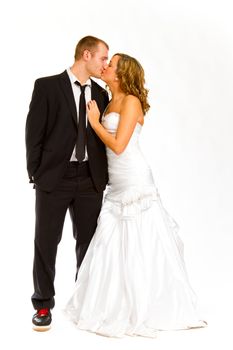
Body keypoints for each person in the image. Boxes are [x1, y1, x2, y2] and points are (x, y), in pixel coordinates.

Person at [64, 53, 207, 338]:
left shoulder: (131, 101)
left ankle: (147, 305)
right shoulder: (107, 99)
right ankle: (115, 301)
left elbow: (118, 145)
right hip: (114, 182)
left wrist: (95, 123)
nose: (105, 66)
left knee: (142, 240)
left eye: (111, 64)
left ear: (121, 73)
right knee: (111, 240)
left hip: (134, 178)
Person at [25, 36, 109, 331]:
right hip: (54, 179)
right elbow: (34, 133)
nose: (106, 65)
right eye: (102, 58)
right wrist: (36, 172)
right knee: (46, 242)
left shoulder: (100, 94)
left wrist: (102, 178)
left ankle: (83, 303)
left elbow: (100, 140)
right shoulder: (46, 86)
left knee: (88, 244)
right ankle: (43, 304)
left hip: (89, 179)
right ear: (86, 55)